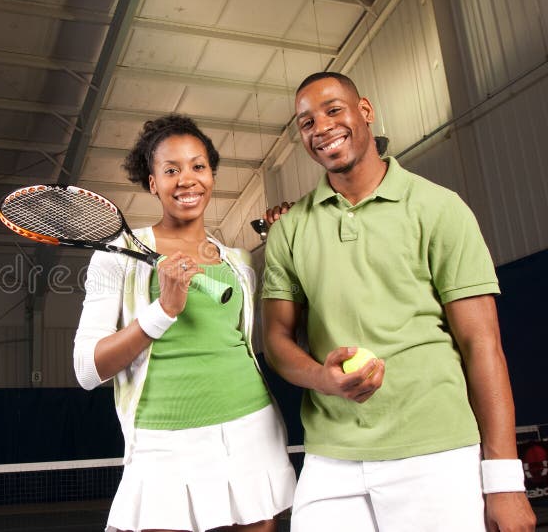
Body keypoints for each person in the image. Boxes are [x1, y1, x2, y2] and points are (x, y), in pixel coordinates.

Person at [261, 72, 536, 532]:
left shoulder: (440, 208)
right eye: (306, 122)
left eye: (333, 110)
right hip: (331, 457)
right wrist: (323, 380)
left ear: (364, 112)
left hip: (437, 452)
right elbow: (276, 340)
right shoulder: (289, 229)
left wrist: (504, 480)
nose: (321, 127)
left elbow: (482, 346)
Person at [74, 114, 296, 532]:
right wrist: (162, 311)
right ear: (153, 182)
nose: (187, 180)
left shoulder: (240, 263)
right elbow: (87, 369)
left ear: (212, 175)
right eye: (171, 170)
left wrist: (289, 242)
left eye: (198, 166)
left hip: (251, 431)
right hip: (165, 443)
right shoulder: (115, 255)